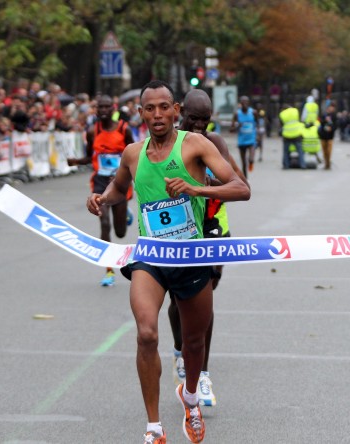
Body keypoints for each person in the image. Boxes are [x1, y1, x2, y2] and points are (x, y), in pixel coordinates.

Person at [86, 80, 250, 444]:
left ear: (175, 110)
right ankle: (154, 427)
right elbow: (119, 187)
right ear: (141, 113)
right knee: (146, 333)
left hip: (192, 257)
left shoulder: (195, 145)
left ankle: (190, 398)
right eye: (150, 108)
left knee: (193, 342)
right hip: (151, 258)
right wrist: (103, 198)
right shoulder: (133, 152)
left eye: (164, 107)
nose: (157, 114)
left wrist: (197, 189)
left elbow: (241, 188)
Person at [168, 89, 248, 409]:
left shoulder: (215, 144)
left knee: (205, 299)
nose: (199, 126)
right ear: (180, 113)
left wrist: (200, 185)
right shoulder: (167, 144)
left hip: (214, 225)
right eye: (193, 119)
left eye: (205, 120)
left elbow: (237, 186)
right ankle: (180, 349)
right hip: (180, 228)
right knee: (179, 299)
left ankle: (200, 372)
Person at [68, 95, 135, 286]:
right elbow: (90, 156)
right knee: (105, 223)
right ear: (96, 109)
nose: (103, 110)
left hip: (120, 184)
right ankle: (109, 270)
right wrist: (75, 162)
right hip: (99, 184)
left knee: (120, 232)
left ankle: (125, 211)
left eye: (107, 107)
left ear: (113, 108)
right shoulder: (92, 131)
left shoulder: (124, 129)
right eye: (100, 107)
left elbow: (135, 155)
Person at [230, 95, 257, 177]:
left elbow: (258, 124)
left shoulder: (253, 112)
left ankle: (251, 163)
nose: (245, 103)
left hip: (251, 139)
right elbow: (231, 129)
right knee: (243, 163)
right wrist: (238, 126)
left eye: (246, 102)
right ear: (240, 103)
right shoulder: (237, 114)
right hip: (241, 140)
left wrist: (259, 135)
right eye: (243, 102)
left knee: (251, 159)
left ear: (248, 103)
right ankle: (246, 178)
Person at [279, 103, 305, 169]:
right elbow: (299, 120)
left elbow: (281, 125)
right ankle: (302, 165)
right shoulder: (295, 110)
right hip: (296, 134)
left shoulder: (282, 114)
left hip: (287, 135)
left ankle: (286, 166)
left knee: (286, 151)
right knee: (300, 151)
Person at [318, 103, 337, 169]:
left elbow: (336, 125)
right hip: (323, 135)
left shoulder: (334, 116)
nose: (332, 109)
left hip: (330, 136)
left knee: (329, 151)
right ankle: (326, 163)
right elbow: (321, 123)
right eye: (331, 107)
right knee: (324, 151)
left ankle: (328, 163)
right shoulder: (324, 115)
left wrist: (331, 128)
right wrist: (325, 120)